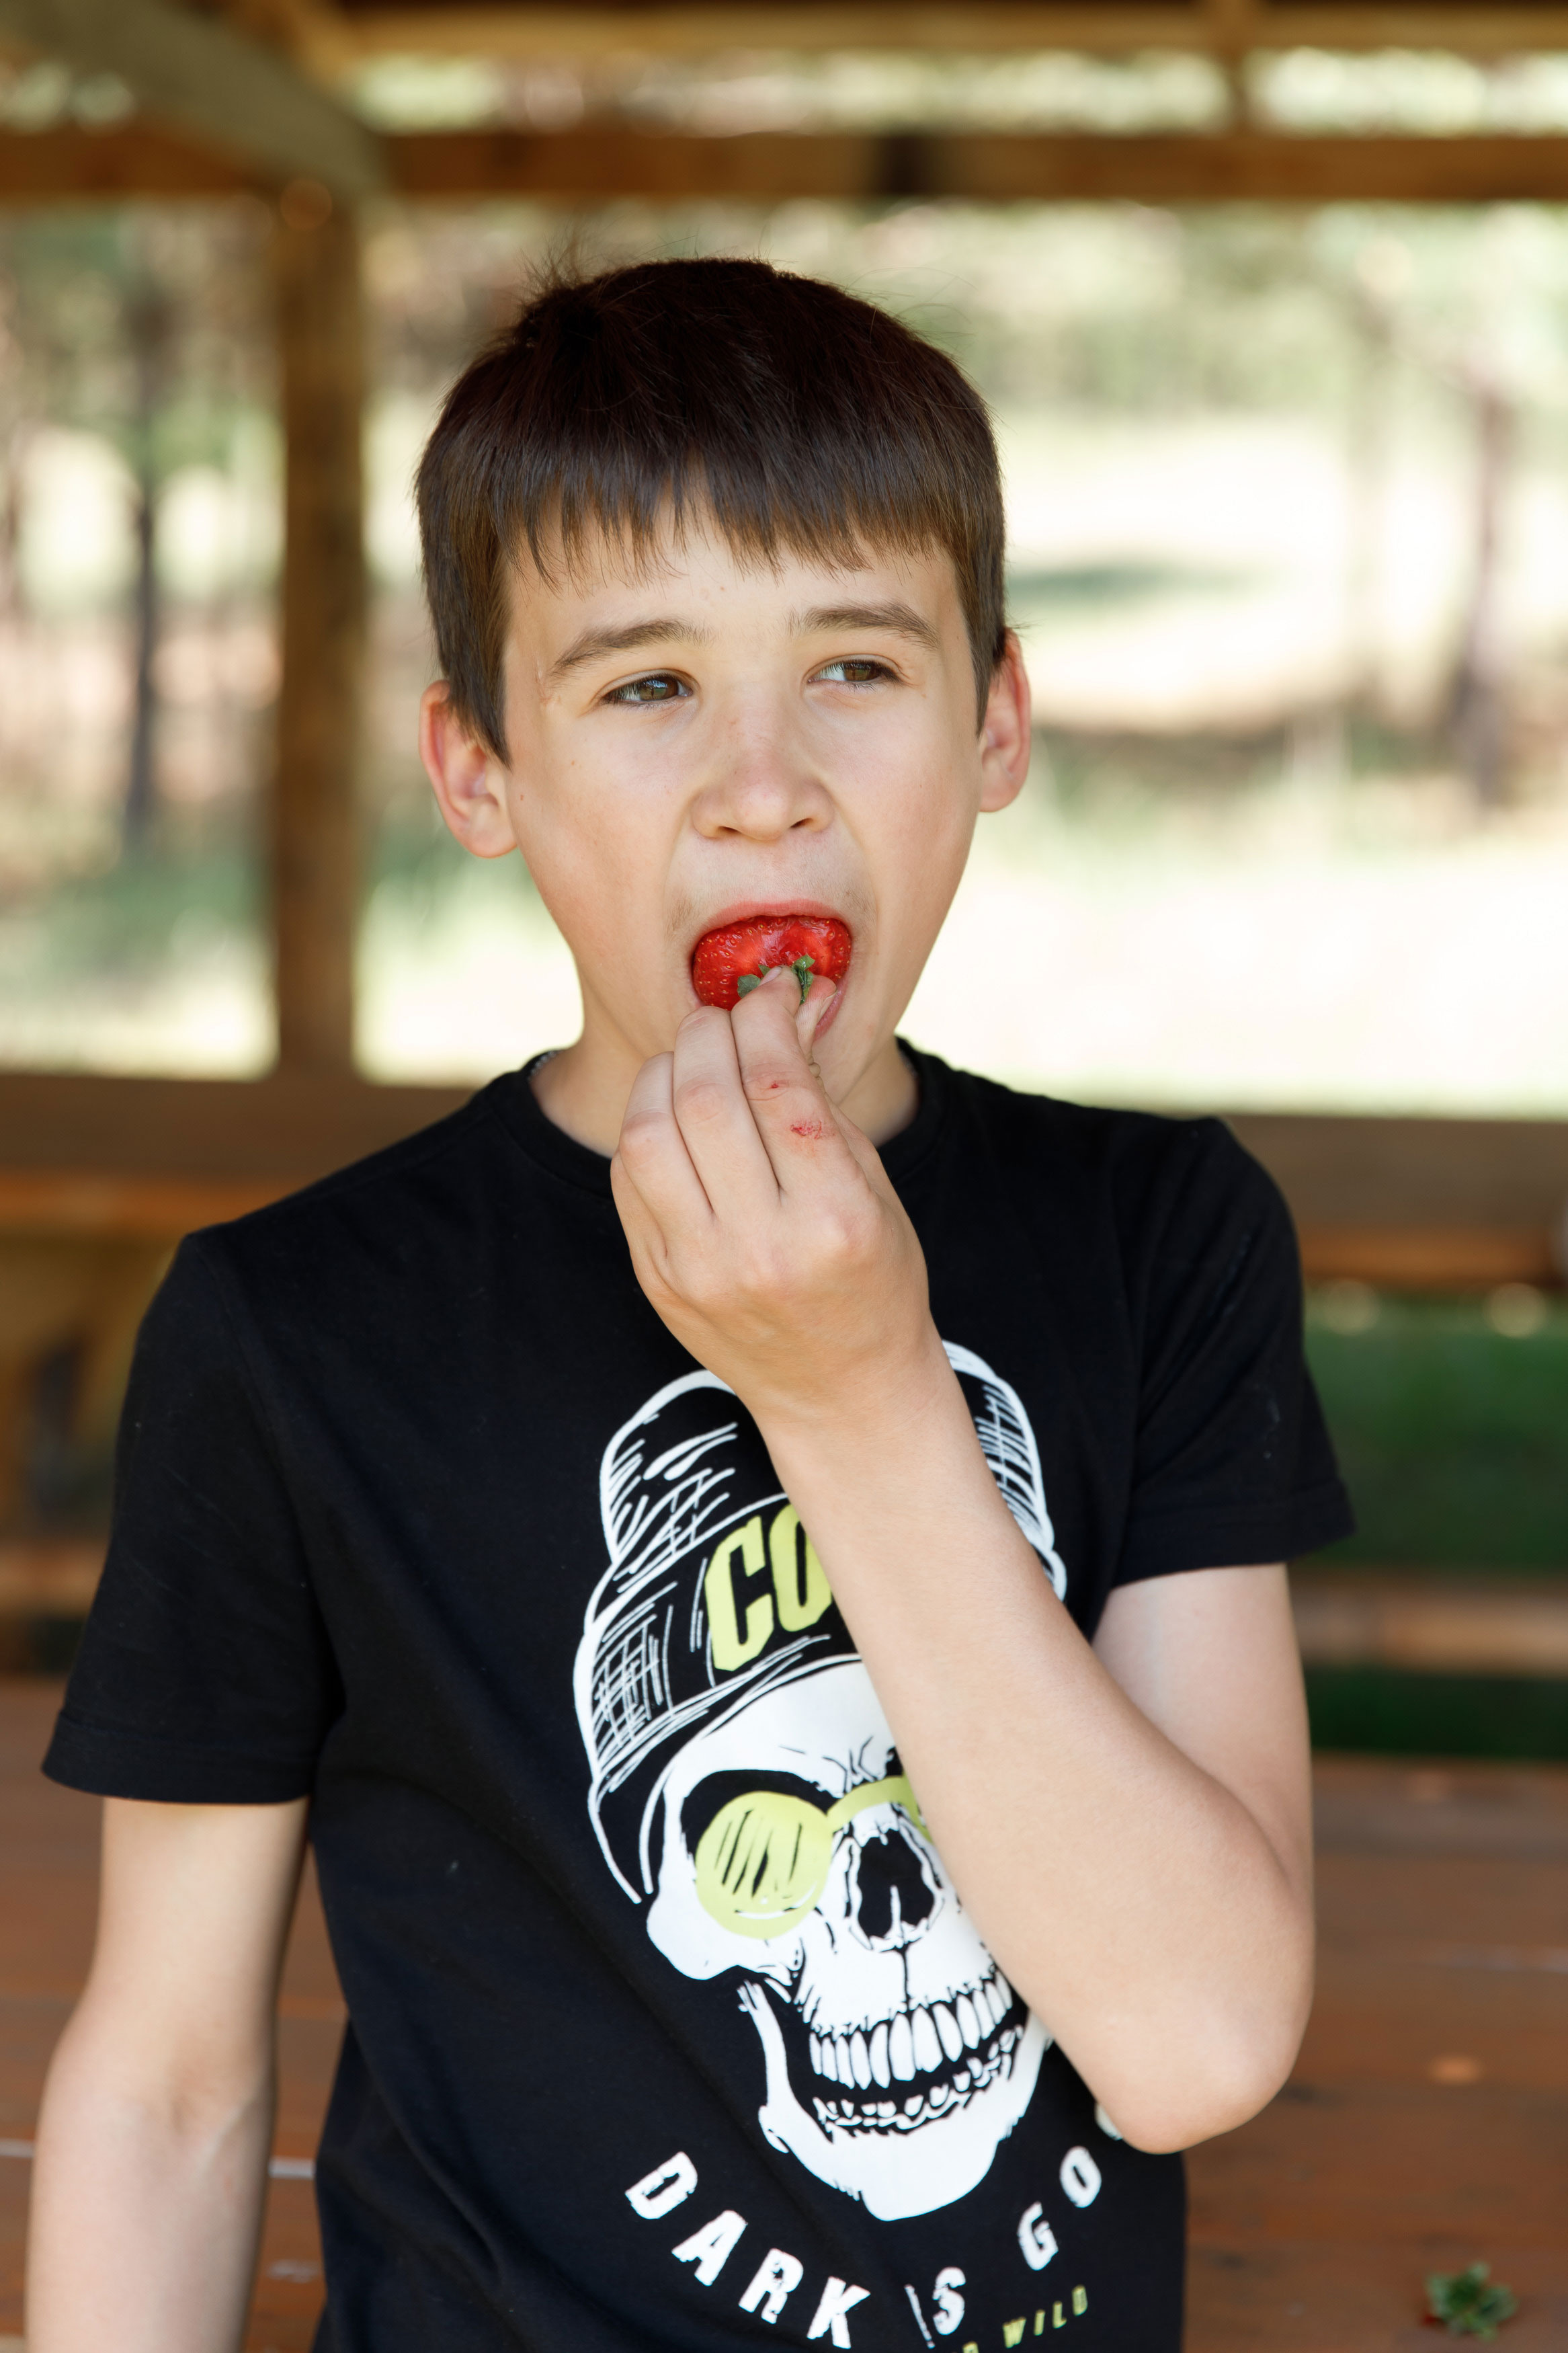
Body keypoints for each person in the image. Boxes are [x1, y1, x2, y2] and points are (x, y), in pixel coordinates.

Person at [27, 256, 1352, 2353]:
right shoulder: (297, 1328)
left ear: (995, 721)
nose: (765, 783)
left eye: (857, 665)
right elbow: (172, 2084)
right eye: (648, 688)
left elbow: (1193, 2036)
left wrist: (854, 1395)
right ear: (479, 773)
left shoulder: (1158, 1235)